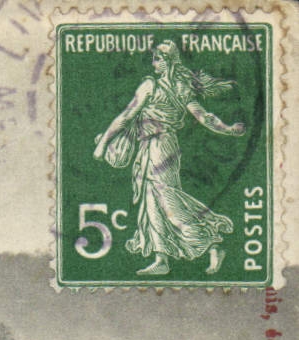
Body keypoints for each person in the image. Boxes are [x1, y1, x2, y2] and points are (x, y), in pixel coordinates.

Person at [93, 40, 246, 276]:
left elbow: (126, 116)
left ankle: (211, 244)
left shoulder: (150, 85)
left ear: (168, 62)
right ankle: (161, 258)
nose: (153, 63)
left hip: (158, 147)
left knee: (167, 200)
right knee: (152, 201)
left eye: (157, 59)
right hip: (160, 146)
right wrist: (228, 129)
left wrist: (103, 144)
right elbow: (205, 117)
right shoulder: (181, 88)